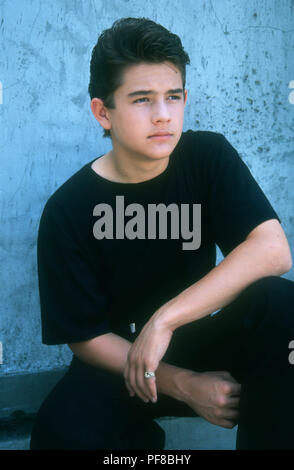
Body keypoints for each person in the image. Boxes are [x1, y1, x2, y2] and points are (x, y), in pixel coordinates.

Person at [30, 17, 294, 450]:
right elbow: (85, 336)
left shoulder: (206, 156)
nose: (163, 115)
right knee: (61, 432)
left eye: (173, 97)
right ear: (103, 111)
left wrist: (164, 320)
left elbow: (272, 250)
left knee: (282, 307)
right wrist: (184, 383)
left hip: (196, 336)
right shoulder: (69, 209)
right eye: (141, 100)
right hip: (118, 365)